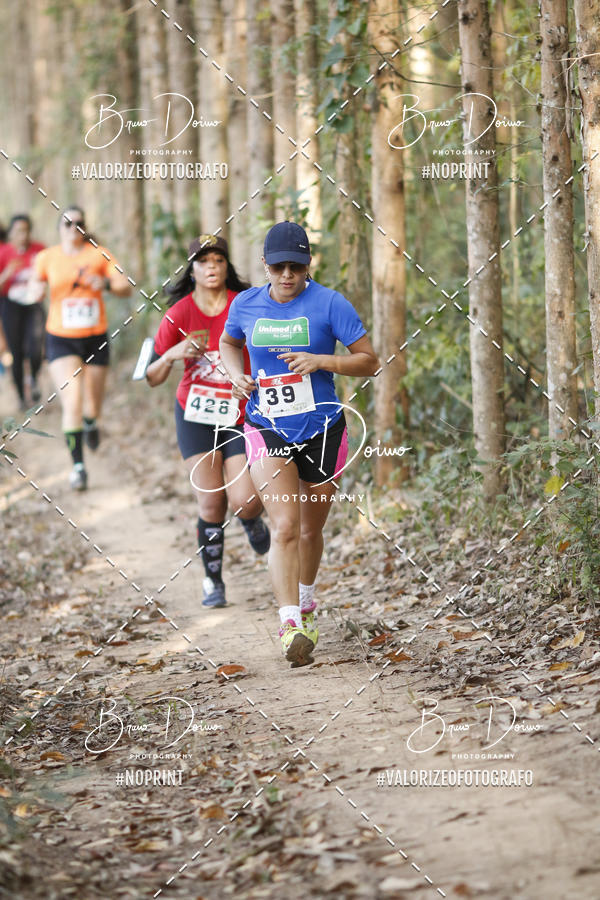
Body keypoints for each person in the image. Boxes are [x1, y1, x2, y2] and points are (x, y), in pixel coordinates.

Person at [220, 221, 379, 667]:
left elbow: (370, 361)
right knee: (286, 525)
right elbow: (229, 343)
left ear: (308, 265)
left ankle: (306, 600)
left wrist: (321, 360)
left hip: (323, 427)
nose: (287, 275)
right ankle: (290, 623)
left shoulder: (330, 303)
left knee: (311, 529)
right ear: (265, 266)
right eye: (278, 267)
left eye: (296, 266)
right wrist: (236, 374)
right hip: (265, 425)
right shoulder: (245, 303)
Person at [146, 234, 270, 609]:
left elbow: (268, 351)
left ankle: (250, 520)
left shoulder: (243, 304)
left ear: (226, 266)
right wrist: (170, 353)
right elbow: (151, 376)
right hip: (195, 416)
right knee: (211, 503)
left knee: (246, 500)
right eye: (203, 262)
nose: (211, 268)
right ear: (192, 270)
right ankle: (212, 581)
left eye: (218, 261)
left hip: (238, 412)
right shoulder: (179, 313)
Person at [27, 206, 132, 490]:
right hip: (60, 337)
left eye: (79, 223)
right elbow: (34, 286)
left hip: (94, 336)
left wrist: (107, 283)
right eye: (68, 223)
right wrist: (35, 292)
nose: (74, 227)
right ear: (59, 227)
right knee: (71, 401)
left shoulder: (99, 254)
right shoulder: (47, 257)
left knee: (92, 404)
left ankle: (91, 422)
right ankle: (78, 466)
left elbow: (126, 286)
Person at [0, 215, 45, 408]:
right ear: (11, 233)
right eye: (18, 231)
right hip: (11, 306)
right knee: (16, 353)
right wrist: (7, 274)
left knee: (36, 350)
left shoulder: (40, 250)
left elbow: (51, 275)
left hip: (34, 304)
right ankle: (21, 397)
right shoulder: (3, 253)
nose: (23, 235)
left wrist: (41, 285)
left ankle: (33, 378)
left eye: (26, 230)